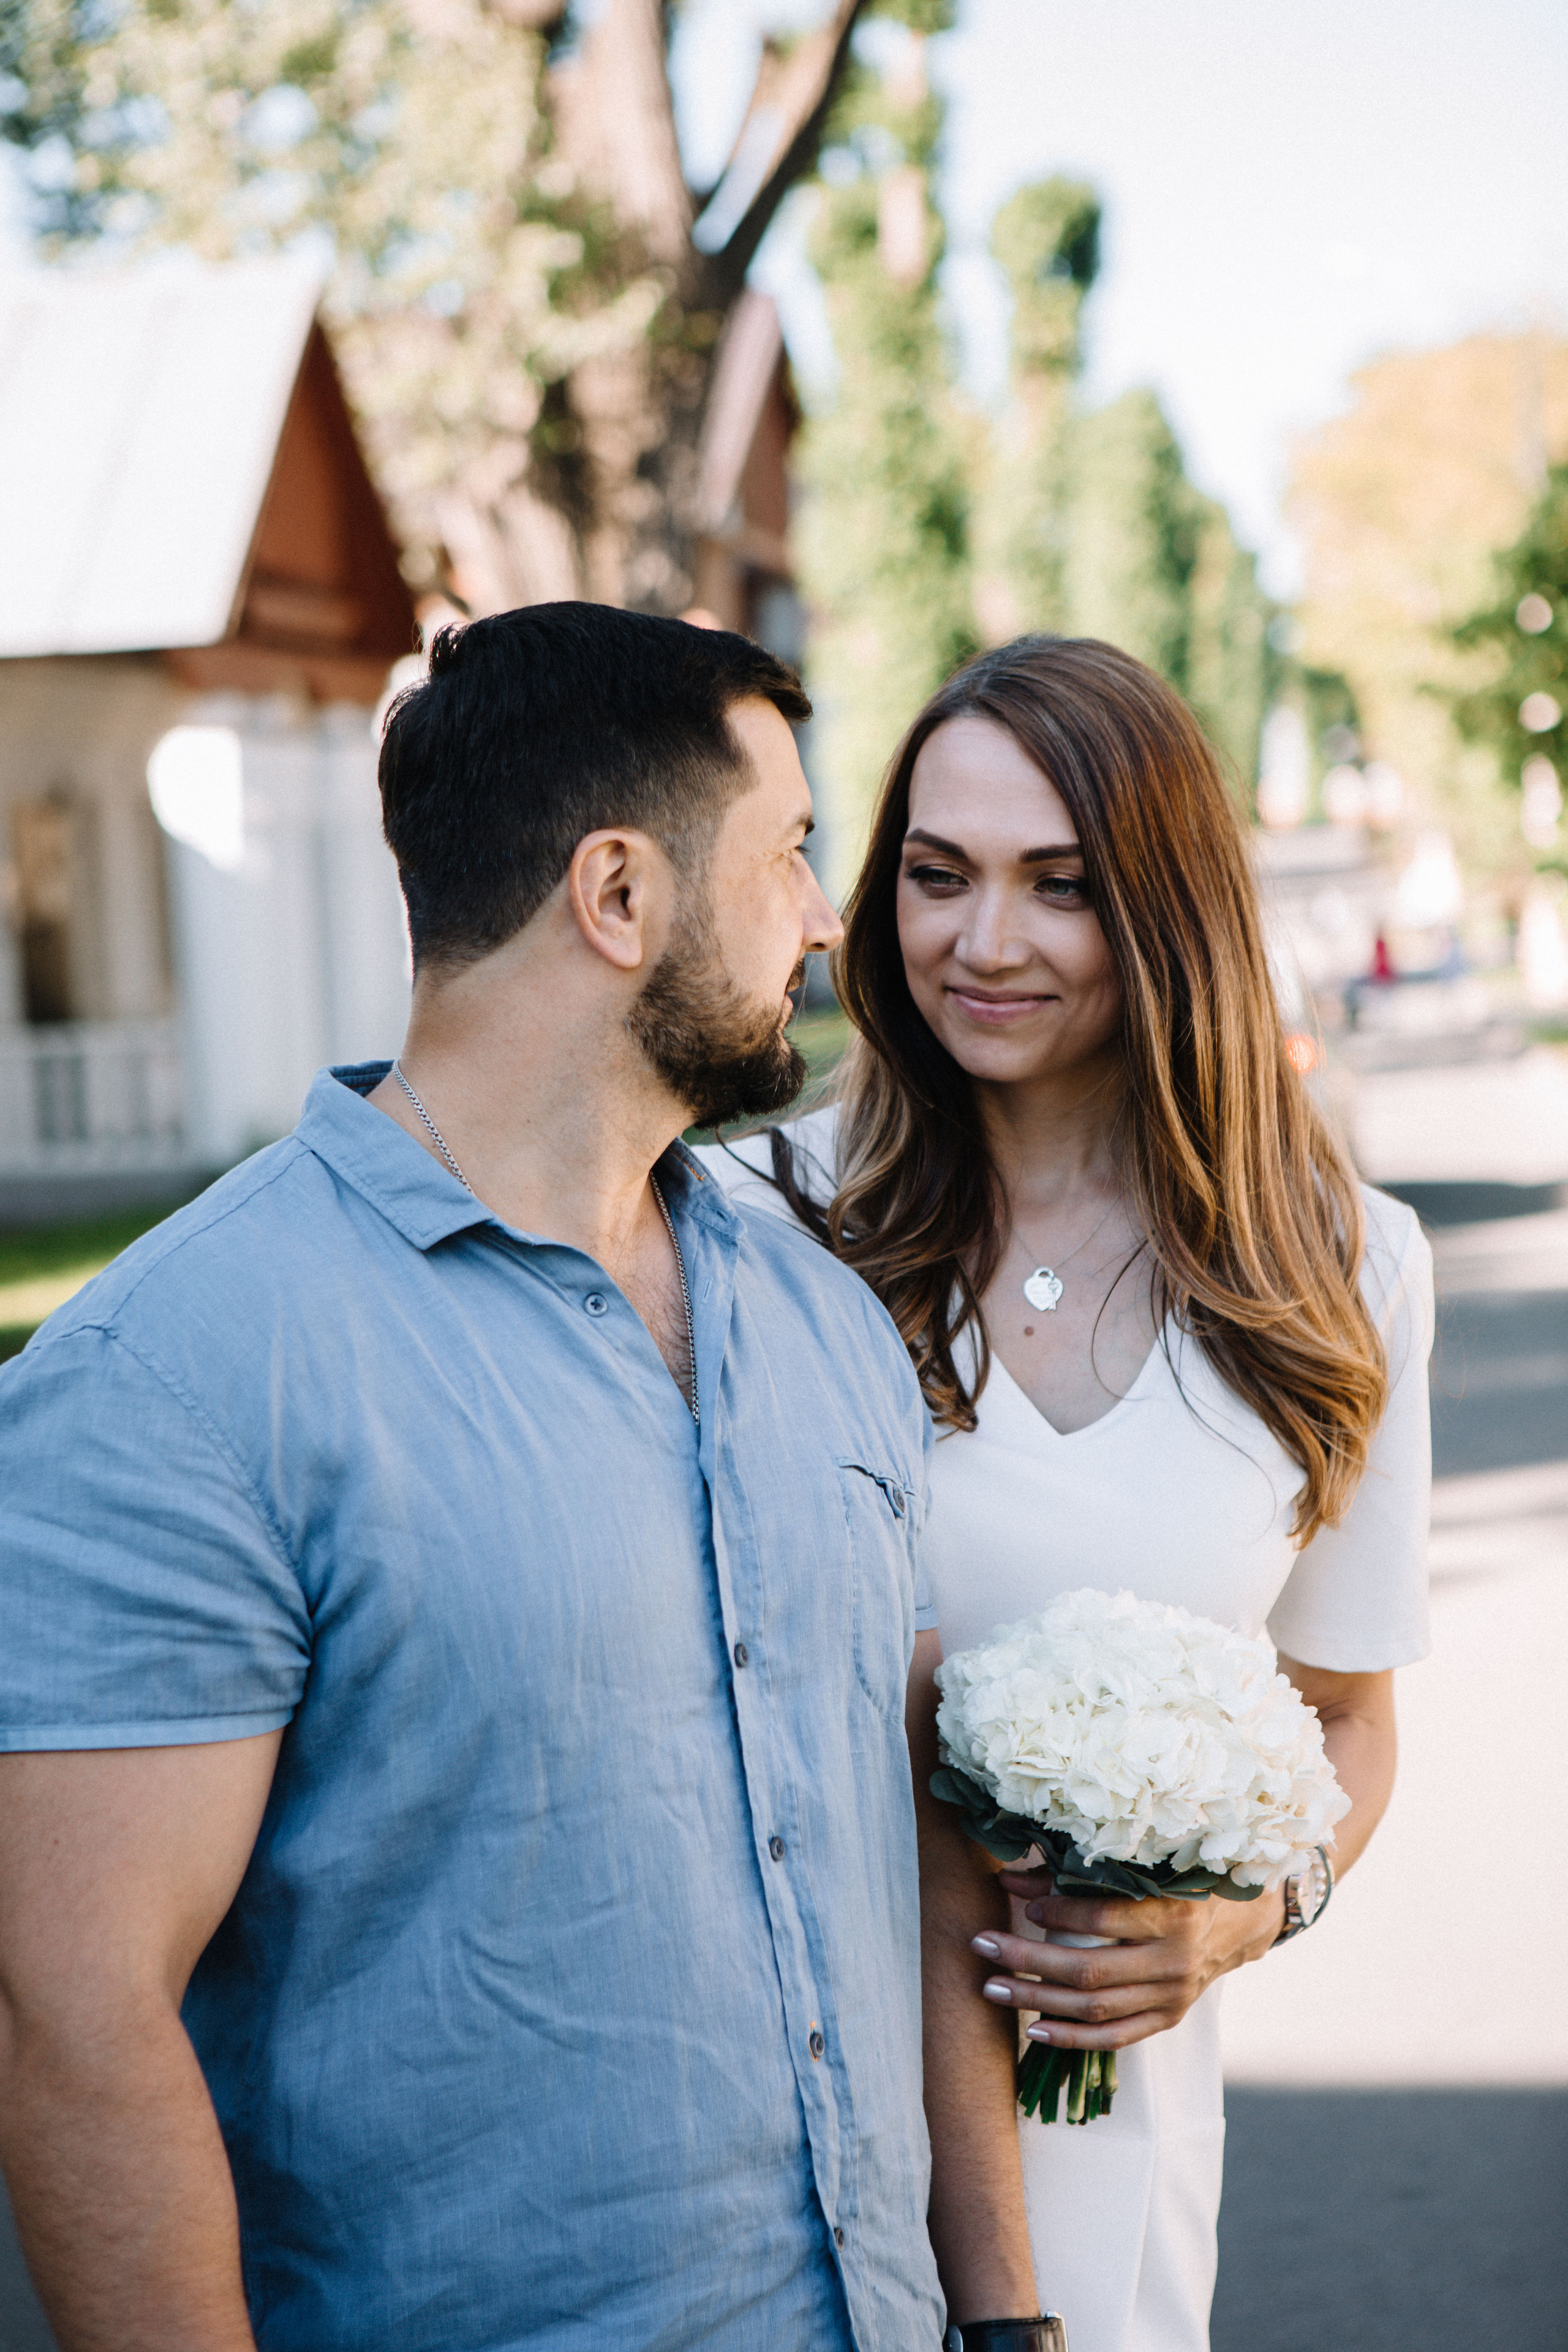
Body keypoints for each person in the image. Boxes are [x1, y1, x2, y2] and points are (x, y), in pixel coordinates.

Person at [0, 605, 1043, 2352]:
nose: (822, 915)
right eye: (790, 850)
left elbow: (901, 1853)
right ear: (619, 895)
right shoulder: (172, 1380)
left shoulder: (820, 1314)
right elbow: (75, 2026)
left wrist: (1009, 2317)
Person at [700, 635, 1434, 2352]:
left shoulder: (1343, 1267)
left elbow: (1348, 1713)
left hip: (1114, 2135)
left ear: (1166, 910)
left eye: (1062, 886)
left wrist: (1240, 1922)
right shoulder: (751, 1228)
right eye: (937, 878)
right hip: (775, 2121)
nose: (984, 943)